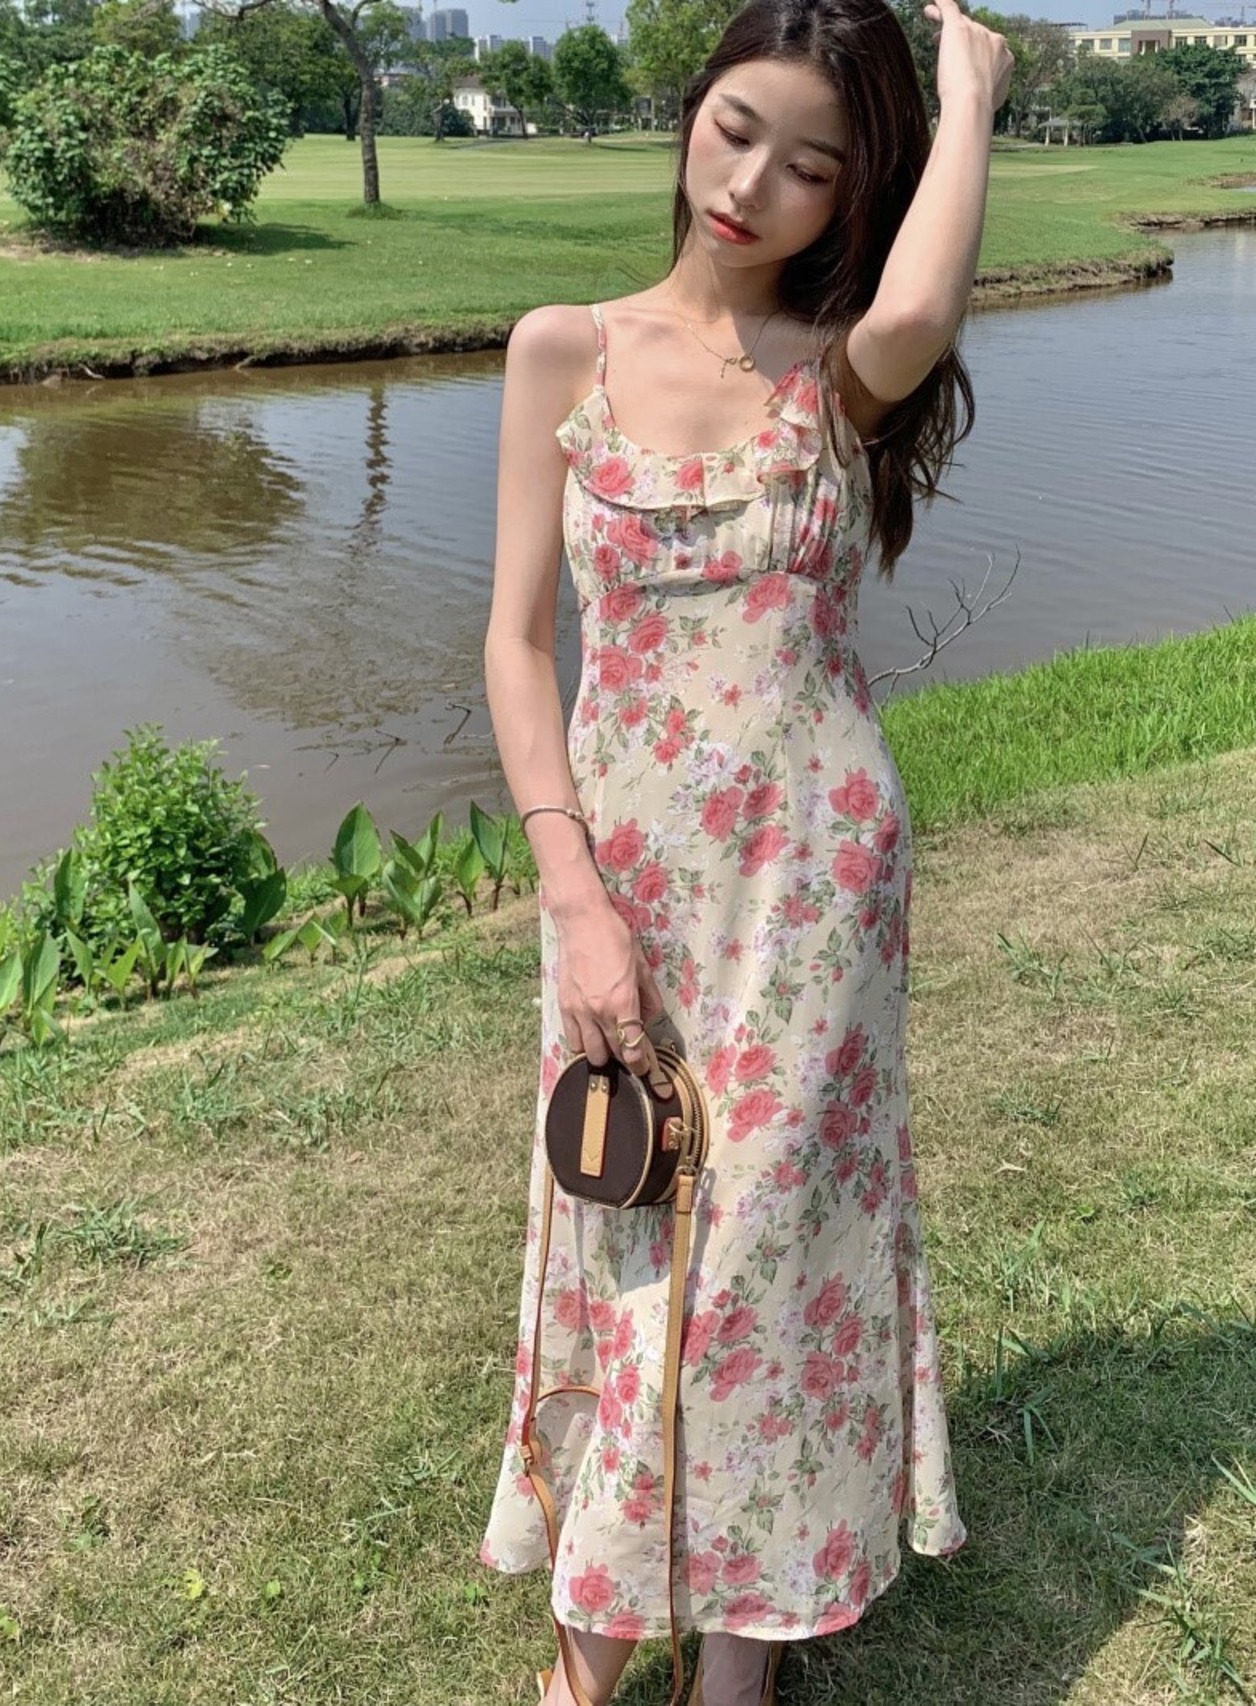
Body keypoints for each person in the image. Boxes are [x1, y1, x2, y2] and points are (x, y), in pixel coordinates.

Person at [479, 0, 1014, 1701]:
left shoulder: (839, 368)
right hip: (625, 877)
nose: (752, 184)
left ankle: (742, 1651)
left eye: (812, 165)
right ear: (690, 109)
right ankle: (589, 1644)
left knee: (773, 1245)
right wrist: (572, 893)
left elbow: (921, 305)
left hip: (815, 879)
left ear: (855, 192)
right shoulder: (563, 350)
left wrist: (972, 85)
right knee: (632, 1216)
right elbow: (516, 645)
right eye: (734, 128)